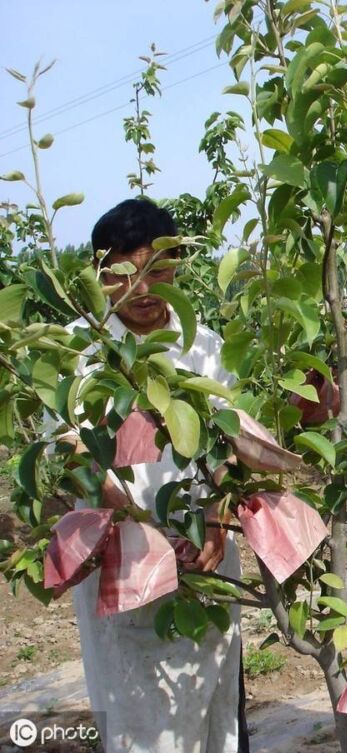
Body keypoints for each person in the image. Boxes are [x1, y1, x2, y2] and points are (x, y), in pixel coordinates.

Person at [64, 199, 247, 753]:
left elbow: (230, 445)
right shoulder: (82, 352)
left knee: (214, 704)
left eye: (159, 272)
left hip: (204, 557)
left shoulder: (205, 348)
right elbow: (71, 451)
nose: (144, 288)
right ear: (101, 274)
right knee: (139, 716)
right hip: (122, 561)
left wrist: (218, 516)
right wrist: (127, 519)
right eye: (125, 273)